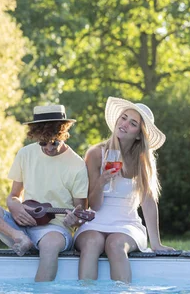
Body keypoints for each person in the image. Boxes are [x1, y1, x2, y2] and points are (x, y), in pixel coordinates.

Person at [0, 105, 89, 282]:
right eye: (43, 143)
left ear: (63, 134)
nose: (49, 148)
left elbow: (80, 213)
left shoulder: (77, 165)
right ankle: (20, 238)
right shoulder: (25, 154)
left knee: (50, 245)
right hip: (20, 228)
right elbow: (14, 195)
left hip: (55, 231)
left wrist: (74, 221)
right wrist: (14, 206)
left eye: (55, 142)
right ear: (35, 137)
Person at [75, 96, 174, 283]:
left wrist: (156, 243)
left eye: (133, 123)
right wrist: (103, 180)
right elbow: (93, 206)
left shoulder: (143, 160)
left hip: (127, 224)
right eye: (124, 117)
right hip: (95, 220)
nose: (124, 124)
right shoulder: (96, 154)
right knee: (91, 242)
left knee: (115, 244)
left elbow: (148, 200)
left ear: (139, 134)